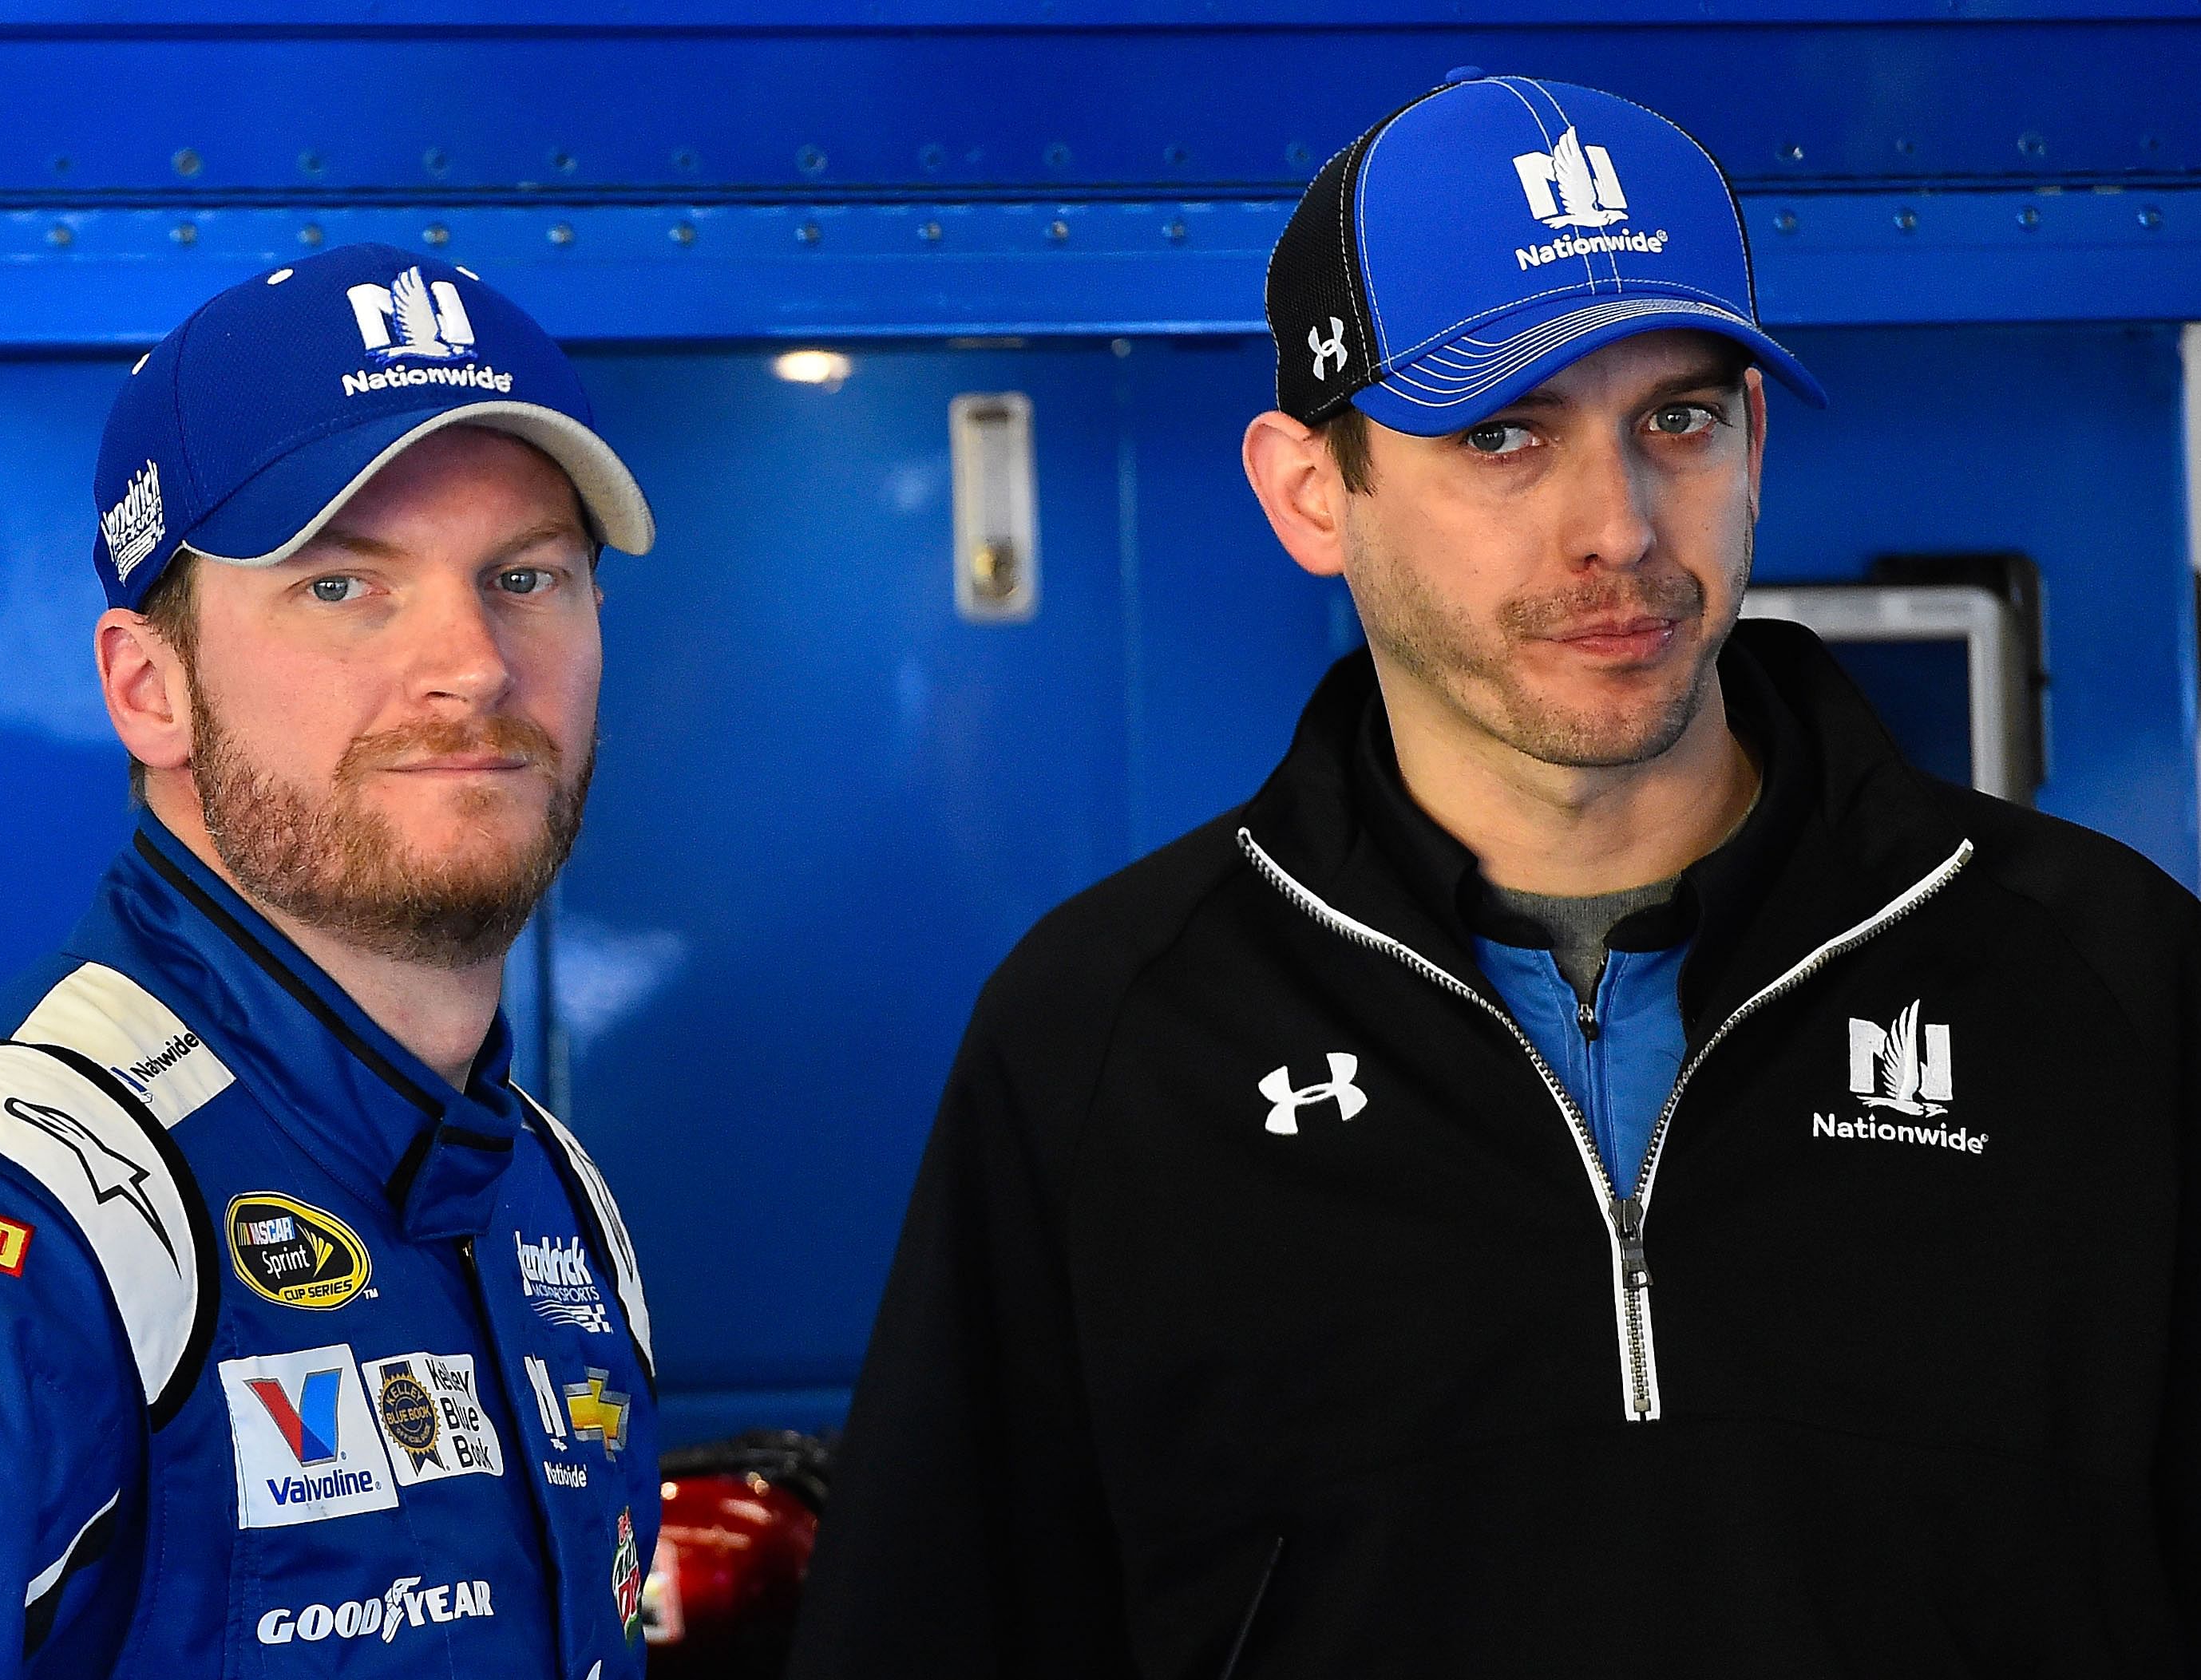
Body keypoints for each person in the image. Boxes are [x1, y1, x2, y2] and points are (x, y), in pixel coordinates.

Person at [790, 75, 2201, 1677]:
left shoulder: (2103, 982)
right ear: (1309, 491)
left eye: (1675, 417)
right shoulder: (1107, 1046)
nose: (1618, 526)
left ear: (1750, 444)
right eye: (1502, 433)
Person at [0, 243, 662, 1678]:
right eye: (344, 586)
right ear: (150, 687)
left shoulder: (553, 1199)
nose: (471, 663)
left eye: (525, 575)